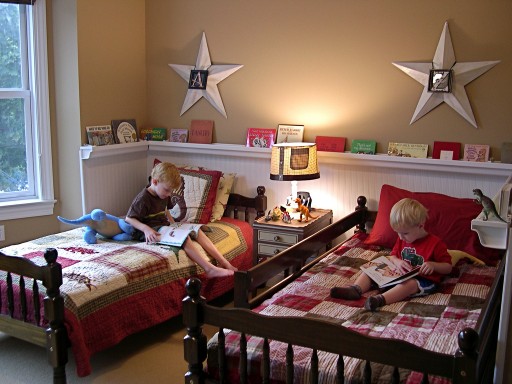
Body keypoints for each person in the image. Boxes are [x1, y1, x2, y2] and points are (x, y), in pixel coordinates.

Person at [330, 198, 452, 311]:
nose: (400, 237)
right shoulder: (402, 239)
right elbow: (392, 256)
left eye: (404, 233)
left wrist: (433, 266)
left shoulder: (435, 244)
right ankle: (356, 289)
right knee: (372, 267)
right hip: (399, 274)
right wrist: (398, 262)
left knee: (409, 285)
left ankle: (380, 300)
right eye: (398, 233)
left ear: (420, 226)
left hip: (423, 280)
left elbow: (448, 267)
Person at [125, 162, 237, 278]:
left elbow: (165, 209)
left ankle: (224, 263)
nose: (169, 194)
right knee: (184, 237)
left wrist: (174, 224)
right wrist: (146, 229)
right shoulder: (143, 199)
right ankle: (209, 269)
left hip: (163, 226)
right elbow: (129, 218)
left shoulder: (163, 194)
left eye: (171, 191)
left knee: (197, 230)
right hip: (150, 231)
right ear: (154, 182)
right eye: (167, 190)